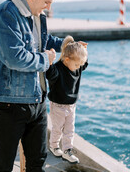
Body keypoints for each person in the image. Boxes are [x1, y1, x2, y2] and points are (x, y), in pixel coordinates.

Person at [0, 0, 63, 172]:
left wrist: (69, 45)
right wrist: (47, 59)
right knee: (3, 166)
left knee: (37, 164)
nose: (49, 7)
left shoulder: (38, 15)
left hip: (37, 102)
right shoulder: (6, 14)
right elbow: (14, 58)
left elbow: (43, 41)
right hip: (8, 105)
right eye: (47, 2)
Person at [46, 35, 88, 164]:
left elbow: (83, 63)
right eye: (76, 64)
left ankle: (67, 150)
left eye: (80, 64)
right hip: (58, 105)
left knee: (70, 130)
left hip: (71, 106)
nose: (79, 67)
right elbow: (50, 74)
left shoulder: (76, 66)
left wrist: (83, 50)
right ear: (67, 59)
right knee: (57, 128)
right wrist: (49, 61)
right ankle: (54, 146)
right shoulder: (58, 68)